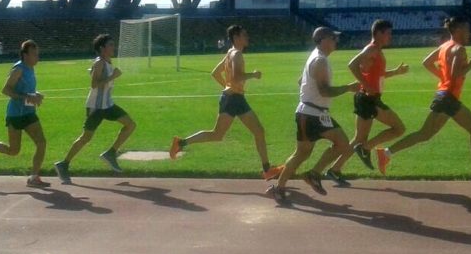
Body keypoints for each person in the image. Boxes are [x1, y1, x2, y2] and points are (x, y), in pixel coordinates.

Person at [376, 17, 471, 185]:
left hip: (444, 96)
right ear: (459, 30)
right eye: (468, 29)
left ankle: (386, 153)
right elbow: (455, 76)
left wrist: (442, 77)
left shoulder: (445, 46)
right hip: (448, 98)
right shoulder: (459, 49)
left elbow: (427, 62)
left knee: (425, 134)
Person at [169, 25, 283, 181]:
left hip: (234, 98)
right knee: (229, 133)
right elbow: (237, 77)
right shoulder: (236, 55)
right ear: (236, 38)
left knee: (247, 132)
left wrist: (227, 87)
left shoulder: (230, 53)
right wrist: (253, 75)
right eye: (244, 35)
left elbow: (215, 73)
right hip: (233, 99)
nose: (247, 37)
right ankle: (180, 143)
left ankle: (267, 169)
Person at [267, 27, 359, 203]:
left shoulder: (317, 57)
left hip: (311, 113)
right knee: (341, 145)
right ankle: (311, 175)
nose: (335, 42)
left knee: (302, 153)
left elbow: (301, 81)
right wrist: (348, 87)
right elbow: (324, 91)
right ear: (323, 40)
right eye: (333, 38)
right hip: (312, 115)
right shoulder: (319, 61)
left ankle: (282, 187)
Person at [326, 20, 408, 186]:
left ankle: (334, 170)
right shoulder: (371, 49)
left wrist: (396, 72)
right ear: (378, 33)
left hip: (369, 99)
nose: (390, 37)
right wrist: (366, 84)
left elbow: (378, 75)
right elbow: (352, 64)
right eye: (388, 33)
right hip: (368, 99)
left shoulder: (377, 50)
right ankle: (365, 149)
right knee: (399, 128)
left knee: (358, 138)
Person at [54, 34, 136, 184]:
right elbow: (94, 84)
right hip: (96, 107)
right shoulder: (99, 63)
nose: (113, 47)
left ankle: (111, 153)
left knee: (130, 124)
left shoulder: (107, 62)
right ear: (102, 48)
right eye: (110, 45)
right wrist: (113, 76)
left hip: (107, 104)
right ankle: (63, 164)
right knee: (86, 137)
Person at [0, 40, 50, 187]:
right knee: (13, 151)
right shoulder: (18, 69)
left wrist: (36, 95)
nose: (37, 57)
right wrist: (27, 97)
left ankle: (34, 177)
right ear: (25, 55)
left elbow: (26, 91)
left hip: (29, 113)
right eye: (34, 54)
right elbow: (5, 90)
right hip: (16, 115)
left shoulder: (30, 68)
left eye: (38, 53)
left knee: (41, 142)